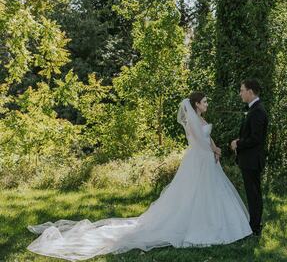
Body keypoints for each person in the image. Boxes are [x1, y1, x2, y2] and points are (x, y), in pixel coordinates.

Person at [27, 92, 252, 261]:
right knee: (191, 195)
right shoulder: (191, 121)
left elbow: (208, 137)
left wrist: (215, 148)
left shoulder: (202, 120)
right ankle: (196, 226)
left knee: (210, 194)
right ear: (196, 104)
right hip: (198, 160)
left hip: (208, 161)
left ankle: (217, 223)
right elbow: (199, 141)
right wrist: (213, 150)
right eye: (204, 102)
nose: (206, 104)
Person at [231, 79, 268, 236]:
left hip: (252, 161)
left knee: (253, 195)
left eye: (242, 90)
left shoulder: (258, 111)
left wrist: (238, 144)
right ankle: (255, 224)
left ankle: (255, 228)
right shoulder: (254, 109)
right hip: (250, 160)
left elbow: (256, 138)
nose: (240, 93)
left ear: (250, 92)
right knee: (253, 194)